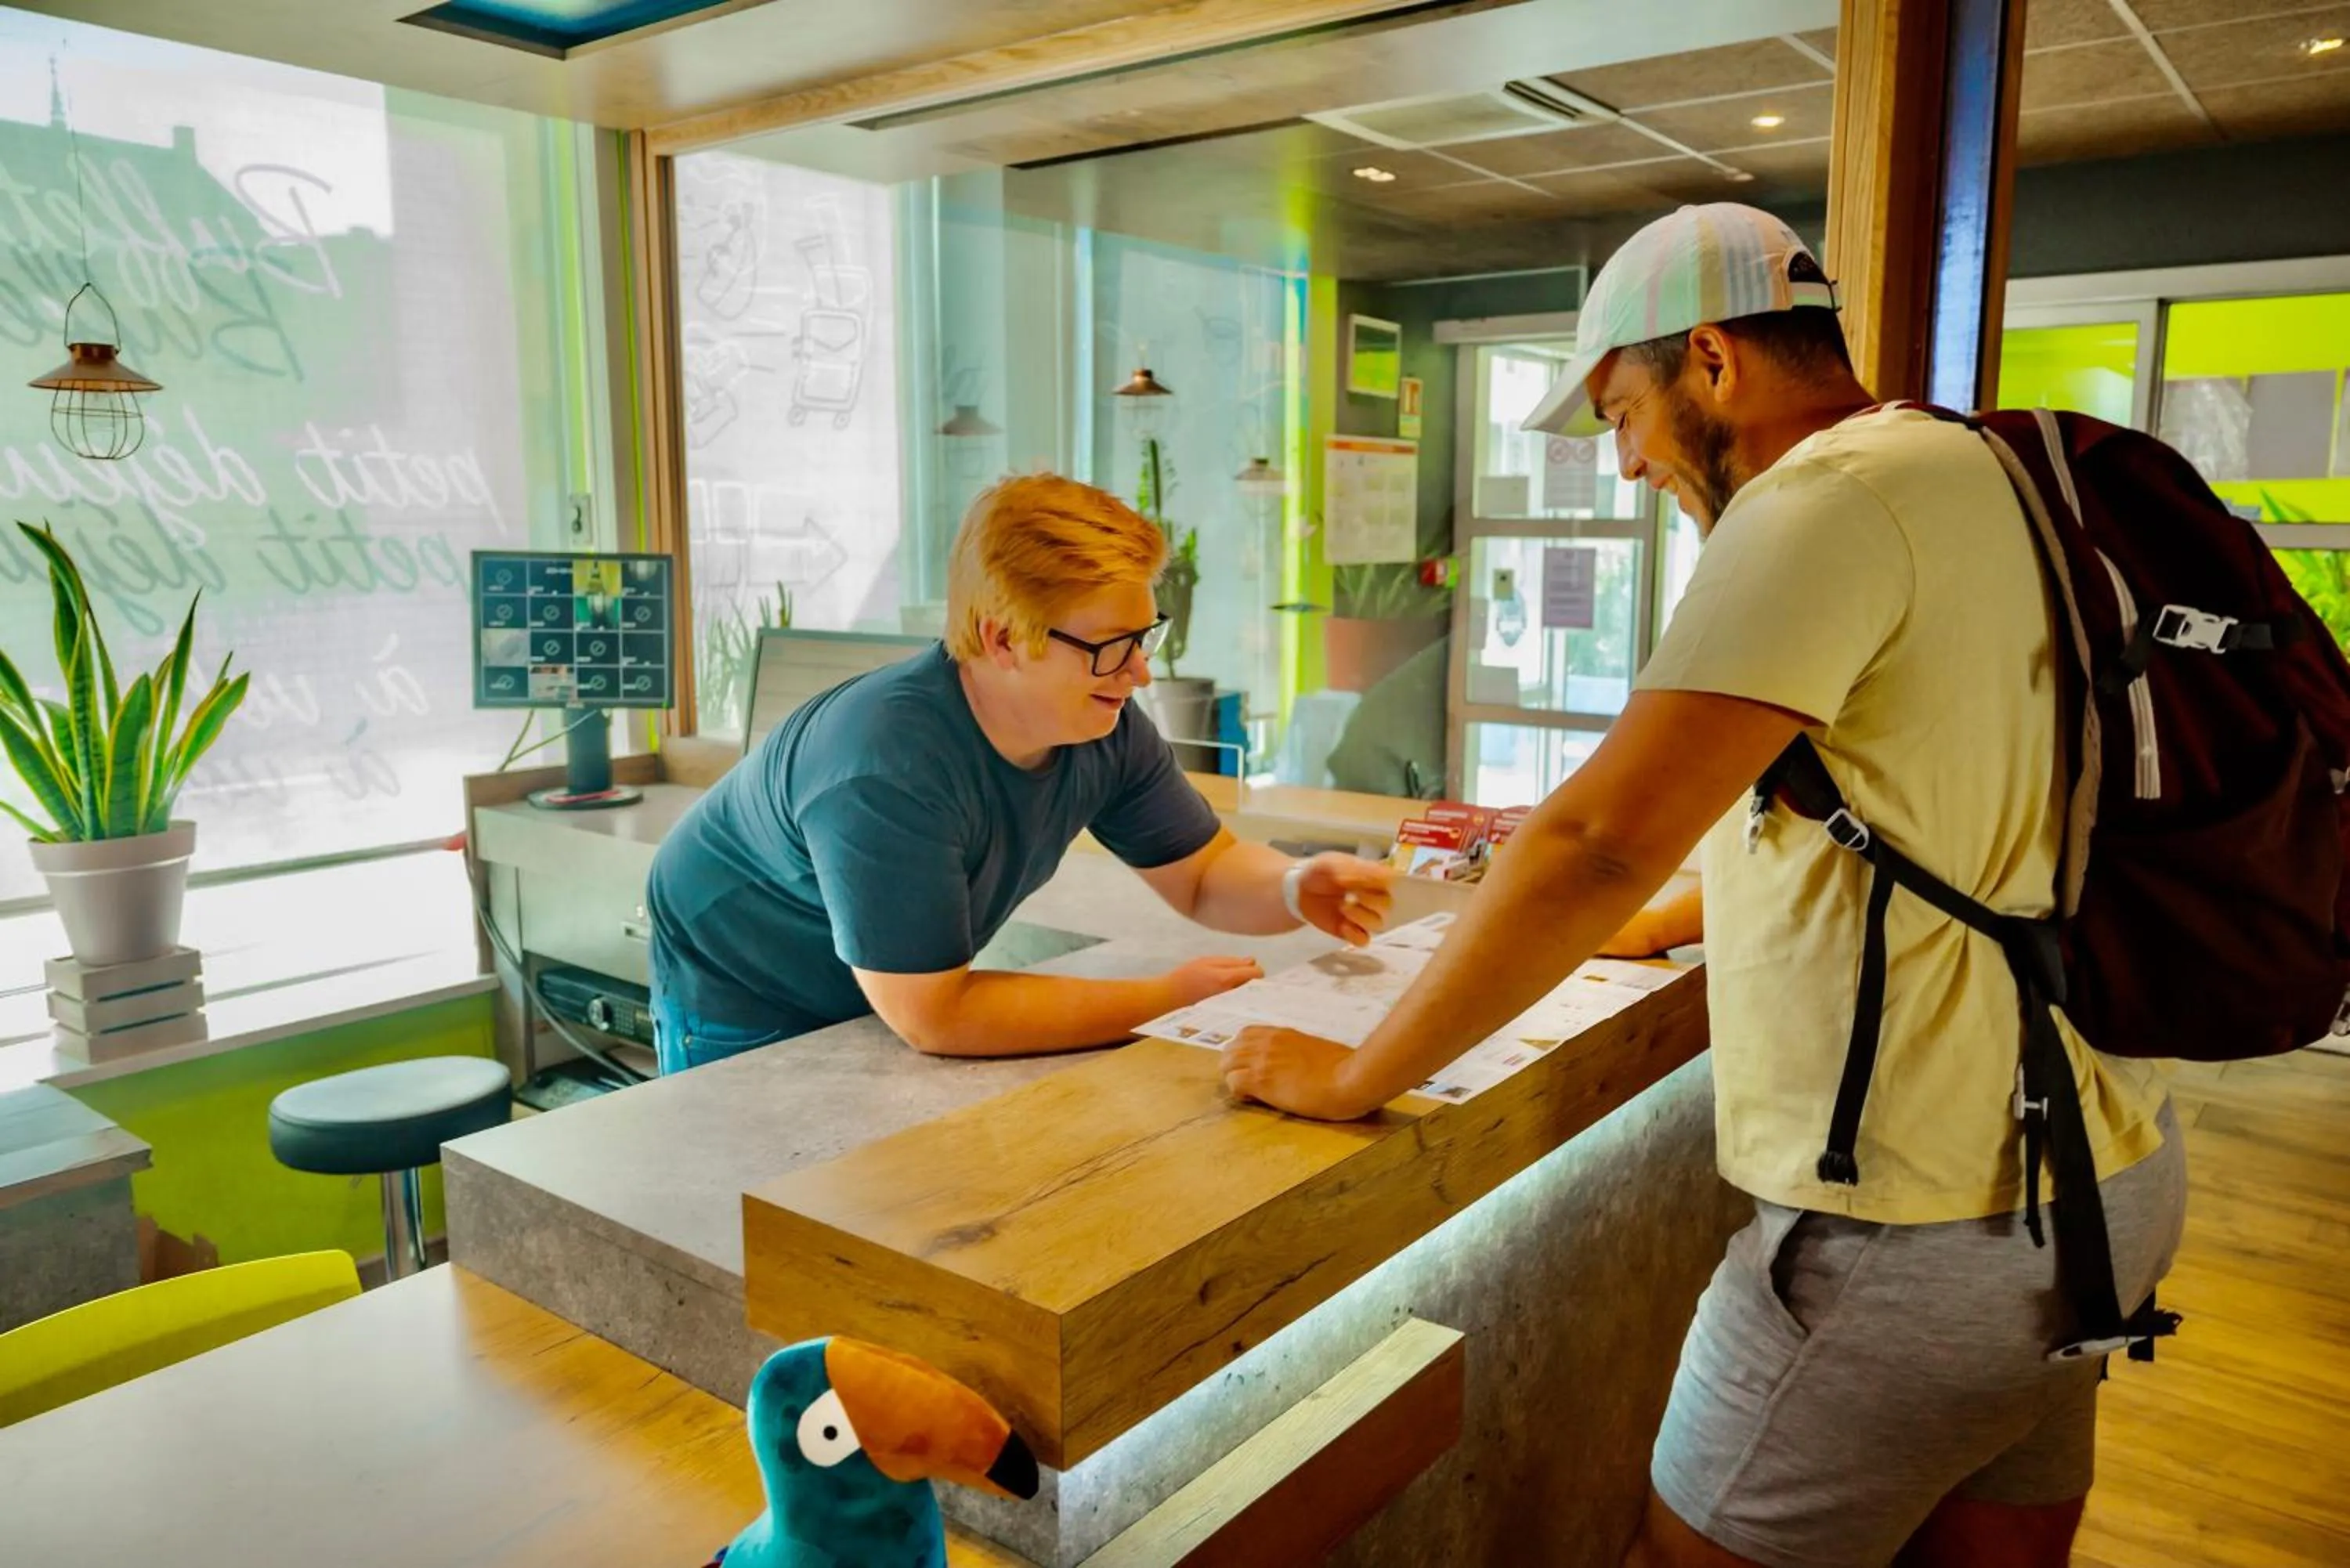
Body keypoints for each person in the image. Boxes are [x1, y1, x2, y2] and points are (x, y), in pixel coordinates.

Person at [1218, 204, 2180, 1568]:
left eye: (1623, 412)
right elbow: (1913, 818)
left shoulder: (1820, 503)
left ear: (1712, 361)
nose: (1625, 466)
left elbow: (1593, 841)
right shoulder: (1979, 470)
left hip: (1913, 1226)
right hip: (2100, 1175)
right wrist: (1664, 920)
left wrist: (1352, 1076)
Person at [646, 473, 1395, 1075]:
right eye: (1110, 646)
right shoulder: (886, 768)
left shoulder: (1101, 724)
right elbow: (936, 1017)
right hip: (743, 979)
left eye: (1145, 638)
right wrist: (1164, 999)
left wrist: (1293, 889)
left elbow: (1205, 872)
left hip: (888, 983)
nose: (1138, 672)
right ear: (1003, 639)